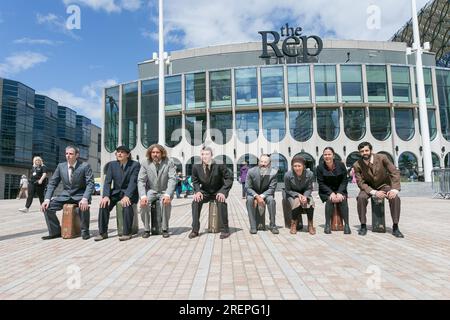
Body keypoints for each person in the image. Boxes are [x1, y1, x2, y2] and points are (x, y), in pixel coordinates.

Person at [40, 145, 95, 240]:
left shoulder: (85, 166)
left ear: (77, 155)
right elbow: (52, 183)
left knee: (83, 207)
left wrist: (85, 198)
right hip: (65, 196)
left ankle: (85, 231)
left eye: (71, 154)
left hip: (80, 195)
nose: (68, 156)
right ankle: (55, 231)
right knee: (47, 207)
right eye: (66, 153)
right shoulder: (61, 166)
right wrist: (47, 199)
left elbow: (90, 184)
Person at [353, 141, 404, 238]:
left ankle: (395, 226)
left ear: (371, 150)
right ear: (359, 153)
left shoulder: (382, 158)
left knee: (395, 198)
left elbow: (394, 172)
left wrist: (394, 190)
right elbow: (360, 182)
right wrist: (374, 192)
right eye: (362, 151)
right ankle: (363, 225)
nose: (364, 153)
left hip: (384, 185)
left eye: (366, 150)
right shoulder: (357, 165)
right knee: (361, 198)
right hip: (368, 187)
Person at [95, 146, 140, 242]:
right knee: (103, 205)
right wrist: (106, 196)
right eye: (118, 152)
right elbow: (107, 182)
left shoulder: (135, 165)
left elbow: (133, 182)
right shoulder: (112, 165)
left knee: (127, 205)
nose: (119, 154)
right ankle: (103, 233)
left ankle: (127, 233)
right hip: (115, 192)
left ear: (128, 155)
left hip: (130, 193)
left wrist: (127, 196)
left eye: (122, 152)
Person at [189, 147, 233, 239]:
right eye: (202, 154)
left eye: (207, 154)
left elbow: (228, 178)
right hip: (205, 191)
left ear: (212, 155)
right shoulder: (196, 166)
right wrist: (197, 191)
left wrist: (223, 192)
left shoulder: (219, 165)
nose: (204, 156)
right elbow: (195, 180)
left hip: (218, 191)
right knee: (195, 202)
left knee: (221, 202)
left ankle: (225, 230)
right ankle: (195, 230)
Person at [138, 144, 177, 238]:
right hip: (152, 190)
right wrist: (143, 196)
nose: (155, 154)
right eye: (153, 152)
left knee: (165, 203)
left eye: (157, 152)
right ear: (150, 153)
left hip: (165, 190)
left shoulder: (169, 162)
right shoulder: (145, 163)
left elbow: (172, 179)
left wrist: (168, 194)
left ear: (162, 153)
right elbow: (141, 180)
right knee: (144, 204)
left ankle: (164, 228)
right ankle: (146, 229)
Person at [316, 147, 351, 234]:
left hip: (340, 189)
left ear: (333, 155)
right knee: (329, 200)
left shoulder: (341, 165)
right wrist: (331, 193)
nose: (327, 156)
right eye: (325, 154)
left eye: (329, 154)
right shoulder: (319, 167)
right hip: (326, 191)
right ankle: (327, 224)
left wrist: (339, 192)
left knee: (343, 199)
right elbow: (321, 183)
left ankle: (346, 225)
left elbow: (344, 180)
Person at [245, 154, 279, 234]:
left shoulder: (273, 173)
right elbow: (247, 187)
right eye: (261, 161)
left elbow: (272, 189)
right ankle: (253, 226)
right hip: (253, 193)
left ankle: (273, 225)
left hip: (266, 194)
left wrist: (262, 196)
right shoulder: (251, 171)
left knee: (271, 200)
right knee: (249, 200)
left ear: (269, 164)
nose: (263, 164)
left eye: (265, 162)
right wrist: (256, 196)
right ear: (258, 162)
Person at [284, 156, 316, 235]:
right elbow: (287, 190)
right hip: (292, 194)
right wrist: (298, 195)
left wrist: (305, 196)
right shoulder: (287, 175)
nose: (297, 168)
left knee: (310, 202)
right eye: (295, 166)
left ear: (304, 166)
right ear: (292, 166)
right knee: (297, 201)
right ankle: (293, 224)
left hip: (305, 193)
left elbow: (309, 188)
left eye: (299, 166)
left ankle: (310, 225)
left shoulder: (310, 174)